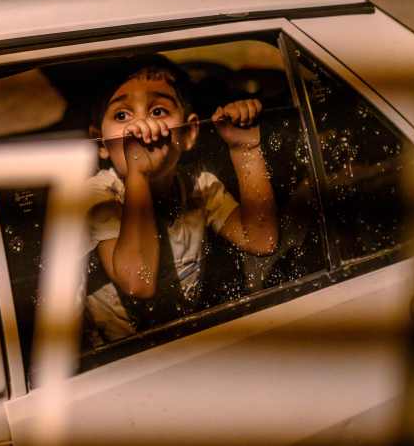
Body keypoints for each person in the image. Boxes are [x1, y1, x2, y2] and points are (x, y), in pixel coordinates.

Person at [83, 56, 278, 345]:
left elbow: (261, 240)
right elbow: (138, 282)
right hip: (116, 358)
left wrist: (244, 149)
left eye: (158, 110)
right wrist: (138, 173)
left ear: (189, 134)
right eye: (122, 116)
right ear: (100, 143)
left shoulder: (198, 185)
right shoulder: (98, 195)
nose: (142, 125)